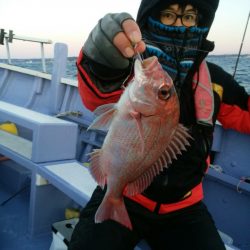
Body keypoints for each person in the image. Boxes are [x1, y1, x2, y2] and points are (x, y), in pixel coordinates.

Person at [68, 0, 250, 249]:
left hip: (186, 207)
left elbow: (245, 112)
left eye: (188, 17)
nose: (179, 24)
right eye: (168, 14)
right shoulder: (134, 71)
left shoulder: (215, 80)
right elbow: (97, 93)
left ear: (200, 23)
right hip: (126, 193)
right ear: (150, 19)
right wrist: (100, 60)